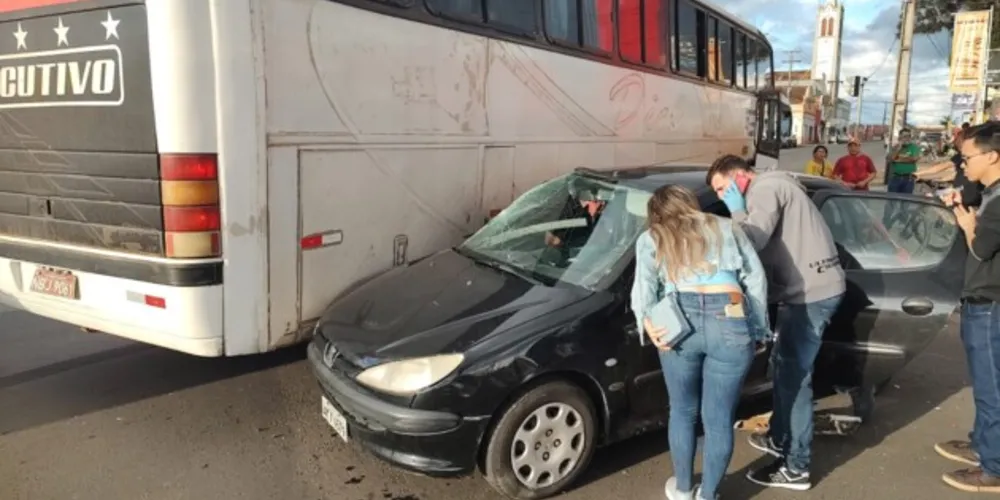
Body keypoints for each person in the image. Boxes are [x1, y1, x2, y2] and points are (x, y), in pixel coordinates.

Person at [705, 155, 846, 491]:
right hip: (808, 291)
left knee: (795, 379)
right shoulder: (777, 184)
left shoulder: (765, 190)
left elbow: (751, 240)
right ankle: (781, 437)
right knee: (784, 371)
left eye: (724, 188)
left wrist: (736, 212)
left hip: (810, 295)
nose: (724, 196)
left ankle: (797, 465)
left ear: (739, 175)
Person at [631, 184, 770, 500]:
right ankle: (708, 495)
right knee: (719, 418)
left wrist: (648, 323)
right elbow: (755, 279)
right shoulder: (727, 227)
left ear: (657, 214)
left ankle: (682, 489)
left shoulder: (652, 237)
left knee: (682, 410)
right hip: (731, 316)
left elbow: (644, 289)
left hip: (681, 321)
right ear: (689, 203)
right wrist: (759, 329)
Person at [934, 121, 1000, 494]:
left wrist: (967, 221)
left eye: (968, 157)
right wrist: (967, 210)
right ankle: (982, 445)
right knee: (986, 384)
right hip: (983, 300)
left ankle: (993, 468)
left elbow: (981, 247)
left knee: (992, 387)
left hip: (990, 303)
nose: (964, 165)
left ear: (992, 156)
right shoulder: (990, 193)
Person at [886, 128, 922, 194]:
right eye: (905, 136)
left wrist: (897, 160)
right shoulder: (895, 147)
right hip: (895, 178)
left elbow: (914, 159)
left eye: (909, 136)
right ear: (900, 137)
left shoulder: (914, 147)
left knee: (906, 202)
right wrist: (898, 149)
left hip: (908, 179)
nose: (907, 138)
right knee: (891, 201)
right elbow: (890, 159)